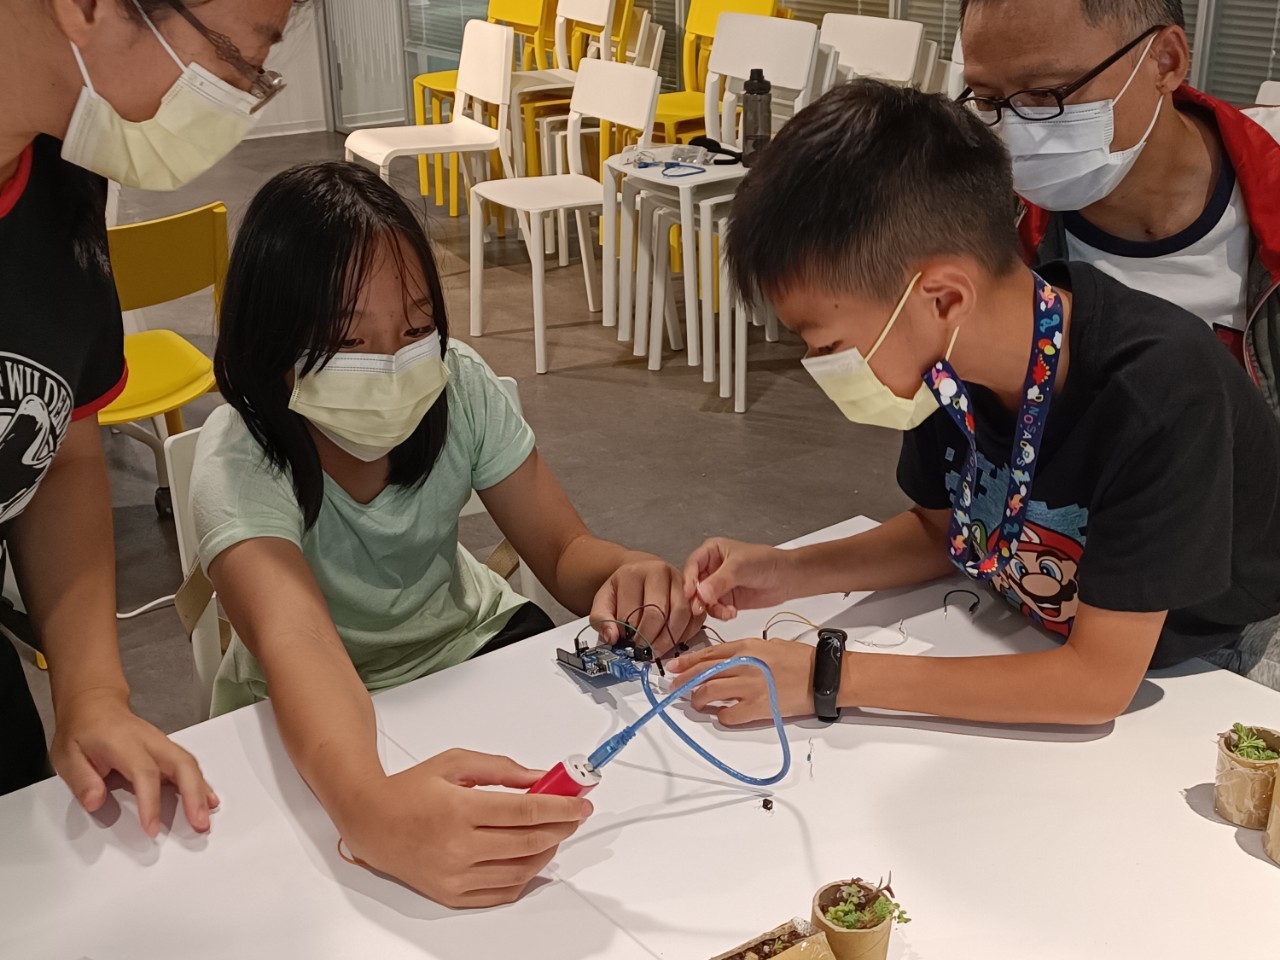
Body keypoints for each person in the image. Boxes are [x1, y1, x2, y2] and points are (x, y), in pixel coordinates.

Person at [669, 80, 1280, 728]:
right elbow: (942, 532)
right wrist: (788, 570)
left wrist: (830, 675)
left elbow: (1096, 684)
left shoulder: (1160, 393)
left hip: (1209, 665)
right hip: (1037, 634)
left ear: (943, 298)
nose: (820, 365)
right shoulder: (946, 361)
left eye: (830, 344)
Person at [193, 161, 700, 906]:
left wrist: (625, 573)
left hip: (467, 652)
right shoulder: (240, 457)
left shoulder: (459, 385)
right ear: (271, 342)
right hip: (309, 707)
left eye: (417, 327)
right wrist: (368, 811)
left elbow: (562, 550)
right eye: (349, 340)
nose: (393, 364)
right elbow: (299, 643)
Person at [0, 0, 293, 831]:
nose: (237, 98)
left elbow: (60, 448)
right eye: (238, 60)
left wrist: (91, 691)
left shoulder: (59, 180)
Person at [957, 0, 1280, 403]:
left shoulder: (1267, 184)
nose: (1014, 131)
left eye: (1045, 93)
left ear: (1166, 61)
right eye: (988, 100)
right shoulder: (990, 232)